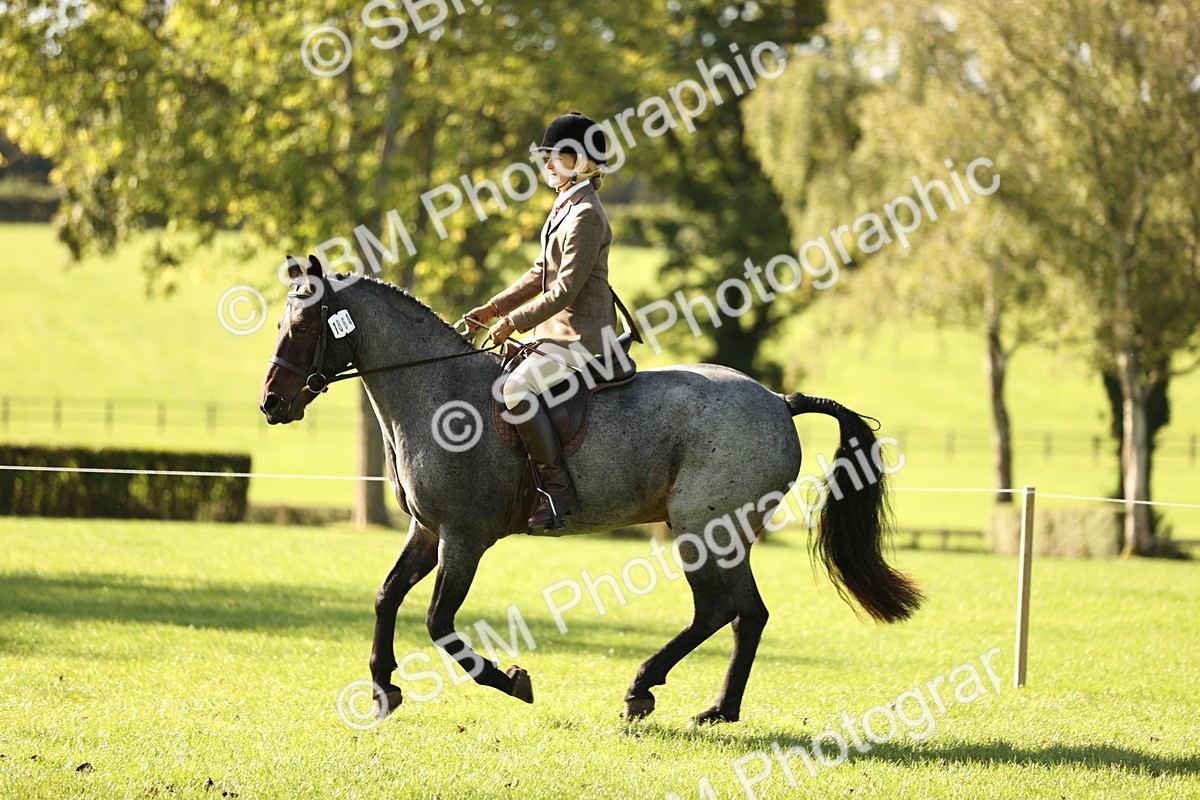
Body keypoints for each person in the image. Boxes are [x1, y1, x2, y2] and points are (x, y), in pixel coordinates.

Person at [465, 111, 618, 530]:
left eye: (556, 156)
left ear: (581, 162)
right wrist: (493, 308)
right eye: (547, 156)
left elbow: (564, 289)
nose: (547, 163)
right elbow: (539, 273)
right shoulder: (565, 205)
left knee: (515, 387)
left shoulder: (587, 214)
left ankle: (557, 488)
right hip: (555, 333)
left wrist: (513, 322)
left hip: (582, 337)